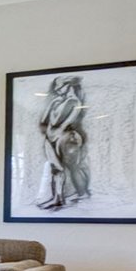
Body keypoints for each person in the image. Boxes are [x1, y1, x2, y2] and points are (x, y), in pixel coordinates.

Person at [35, 75, 91, 211]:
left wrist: (55, 132)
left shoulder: (75, 102)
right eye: (56, 86)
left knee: (71, 167)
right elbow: (44, 120)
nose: (58, 89)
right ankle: (58, 198)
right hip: (51, 137)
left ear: (69, 85)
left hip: (66, 138)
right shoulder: (56, 101)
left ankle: (81, 193)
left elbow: (63, 123)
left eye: (61, 86)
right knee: (55, 168)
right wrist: (52, 104)